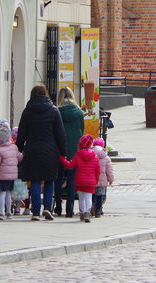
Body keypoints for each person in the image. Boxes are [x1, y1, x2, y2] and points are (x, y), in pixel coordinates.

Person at [17, 85, 67, 221]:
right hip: (50, 151)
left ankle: (35, 212)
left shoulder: (27, 111)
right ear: (45, 94)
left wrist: (18, 150)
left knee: (35, 180)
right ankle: (47, 207)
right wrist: (63, 152)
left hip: (32, 150)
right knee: (50, 179)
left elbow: (21, 133)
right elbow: (60, 134)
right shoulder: (53, 110)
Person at [54, 87, 84, 217]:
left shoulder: (57, 112)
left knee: (58, 179)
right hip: (74, 151)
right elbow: (81, 130)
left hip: (60, 150)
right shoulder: (78, 112)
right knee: (72, 180)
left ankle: (58, 207)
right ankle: (70, 209)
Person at [60, 134, 100, 223]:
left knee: (81, 197)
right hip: (91, 181)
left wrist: (63, 159)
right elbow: (97, 170)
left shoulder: (78, 154)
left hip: (80, 180)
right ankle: (87, 213)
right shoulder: (95, 156)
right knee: (88, 197)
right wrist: (96, 180)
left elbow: (70, 166)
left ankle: (82, 213)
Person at [92, 137, 114, 218]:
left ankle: (92, 207)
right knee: (100, 196)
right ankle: (98, 210)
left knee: (93, 195)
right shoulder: (106, 158)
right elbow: (109, 171)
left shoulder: (91, 156)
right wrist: (111, 179)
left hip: (92, 180)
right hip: (102, 182)